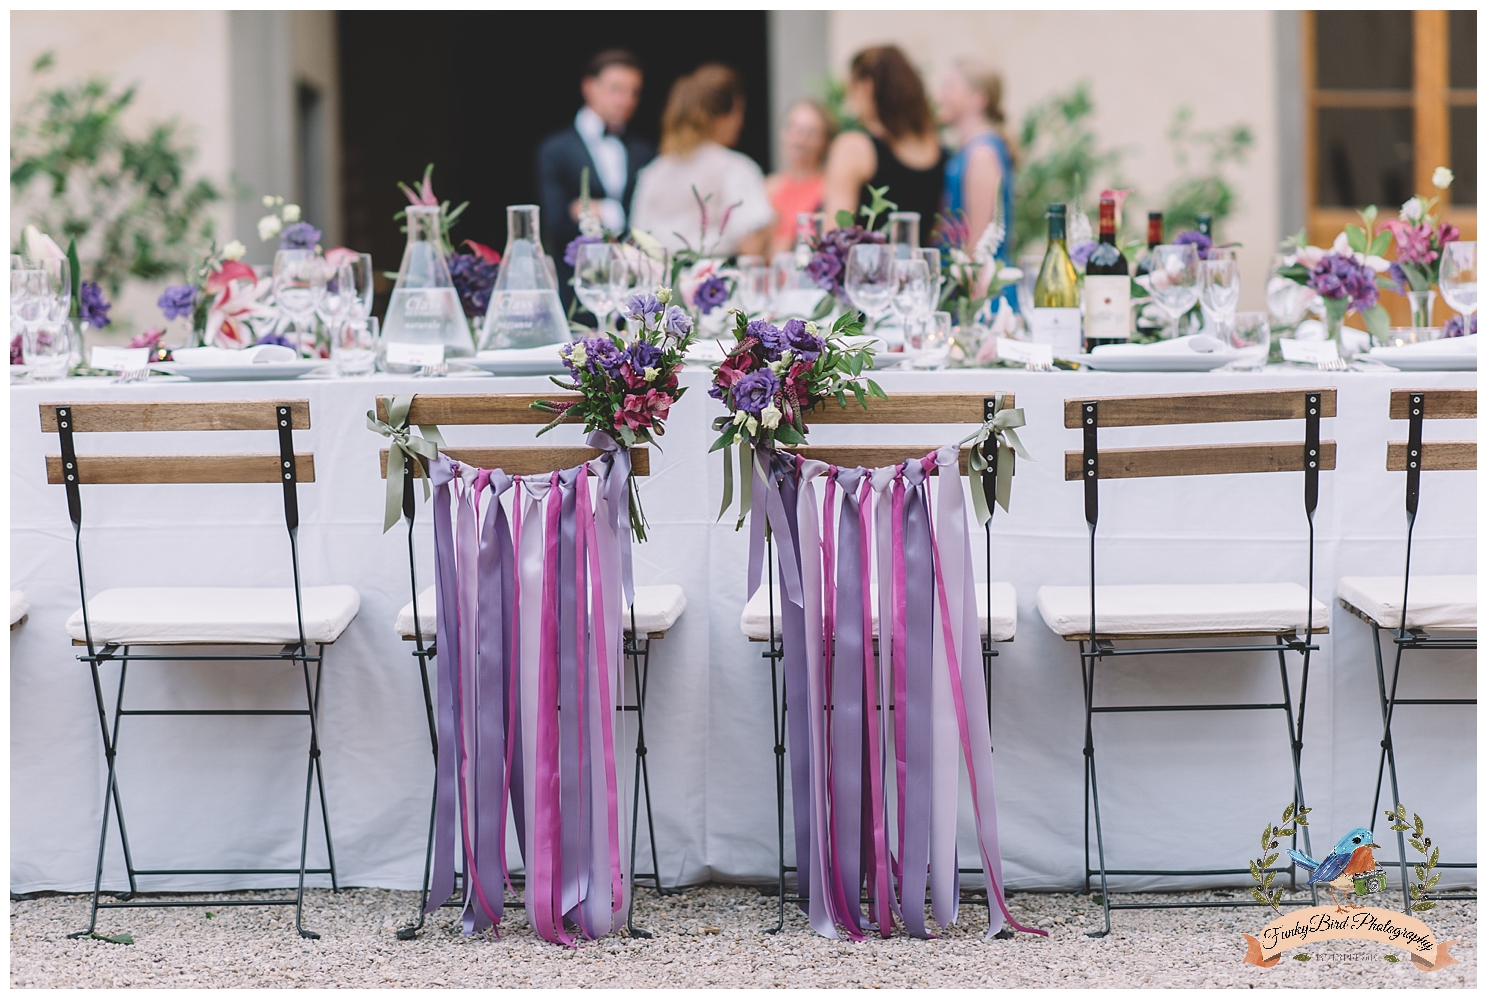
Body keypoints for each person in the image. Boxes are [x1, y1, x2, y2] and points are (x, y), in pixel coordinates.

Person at [536, 49, 655, 305]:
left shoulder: (643, 151)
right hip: (577, 295)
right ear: (589, 87)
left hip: (631, 295)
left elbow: (649, 220)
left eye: (634, 92)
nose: (626, 100)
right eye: (616, 89)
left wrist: (604, 212)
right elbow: (557, 224)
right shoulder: (555, 150)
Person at [629, 64, 773, 259]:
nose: (741, 122)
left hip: (661, 285)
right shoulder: (736, 168)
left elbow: (637, 240)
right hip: (718, 284)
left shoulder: (653, 172)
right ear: (720, 118)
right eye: (738, 112)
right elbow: (750, 247)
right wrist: (774, 222)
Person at [822, 45, 944, 243]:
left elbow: (835, 236)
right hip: (917, 271)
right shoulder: (936, 149)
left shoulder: (854, 148)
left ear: (866, 85)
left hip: (868, 272)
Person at [937, 60, 1016, 262]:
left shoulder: (982, 154)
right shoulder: (970, 150)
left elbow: (978, 245)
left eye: (950, 87)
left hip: (980, 288)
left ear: (977, 99)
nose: (941, 95)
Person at [764, 100, 836, 256]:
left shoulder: (831, 189)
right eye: (792, 128)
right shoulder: (768, 187)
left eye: (810, 132)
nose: (799, 139)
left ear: (825, 141)